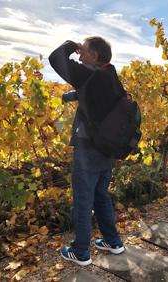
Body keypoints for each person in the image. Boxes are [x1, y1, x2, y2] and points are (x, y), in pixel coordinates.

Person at [49, 37, 125, 266]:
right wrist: (72, 96)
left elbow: (55, 58)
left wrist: (71, 45)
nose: (80, 56)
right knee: (101, 196)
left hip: (88, 151)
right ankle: (113, 241)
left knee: (83, 200)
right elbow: (97, 96)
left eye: (84, 51)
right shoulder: (110, 74)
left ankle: (81, 251)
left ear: (95, 56)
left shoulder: (88, 73)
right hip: (106, 150)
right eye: (79, 52)